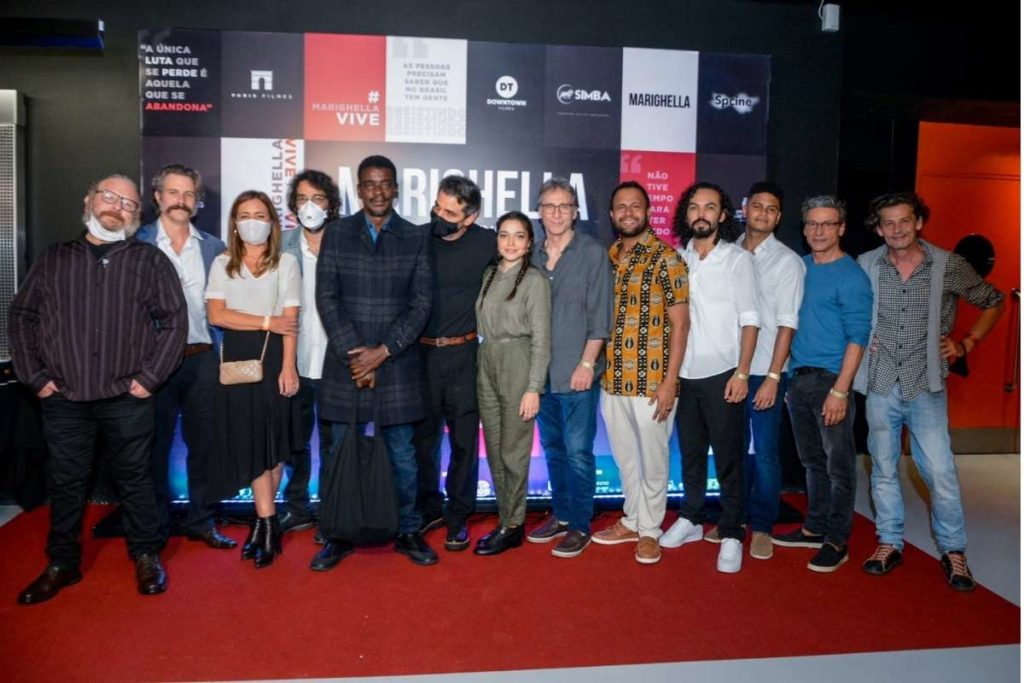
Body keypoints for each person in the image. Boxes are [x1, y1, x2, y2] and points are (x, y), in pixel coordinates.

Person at [11, 173, 186, 603]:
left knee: (137, 479)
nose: (117, 207)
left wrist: (149, 380)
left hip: (128, 397)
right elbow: (22, 317)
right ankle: (62, 563)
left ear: (137, 215)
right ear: (89, 200)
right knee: (66, 482)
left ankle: (146, 554)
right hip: (64, 397)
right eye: (109, 196)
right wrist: (36, 378)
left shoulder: (149, 261)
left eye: (128, 203)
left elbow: (174, 322)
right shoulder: (54, 259)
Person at [855, 192, 1004, 590]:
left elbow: (993, 301)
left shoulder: (948, 265)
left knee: (939, 470)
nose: (897, 229)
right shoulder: (866, 264)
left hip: (926, 383)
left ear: (919, 222)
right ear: (878, 228)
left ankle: (953, 550)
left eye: (904, 220)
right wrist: (862, 336)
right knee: (883, 467)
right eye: (888, 223)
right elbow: (849, 309)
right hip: (880, 381)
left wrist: (967, 343)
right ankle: (889, 542)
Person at [314, 155, 437, 569]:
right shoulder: (337, 233)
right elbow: (326, 298)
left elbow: (421, 305)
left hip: (396, 365)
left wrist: (383, 352)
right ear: (359, 189)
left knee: (401, 455)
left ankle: (408, 530)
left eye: (385, 184)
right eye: (370, 184)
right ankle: (337, 532)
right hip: (346, 364)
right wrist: (357, 355)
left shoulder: (415, 237)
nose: (378, 191)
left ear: (396, 188)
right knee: (338, 452)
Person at [136, 164, 236, 551]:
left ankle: (201, 520)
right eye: (174, 192)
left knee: (206, 445)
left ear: (197, 201)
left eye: (189, 194)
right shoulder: (137, 243)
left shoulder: (213, 247)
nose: (181, 200)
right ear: (158, 196)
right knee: (153, 446)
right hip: (153, 363)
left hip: (203, 356)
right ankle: (155, 527)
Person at [661, 182, 759, 574]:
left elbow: (750, 321)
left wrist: (742, 373)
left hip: (723, 374)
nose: (701, 213)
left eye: (710, 207)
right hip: (684, 374)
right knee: (690, 453)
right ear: (685, 214)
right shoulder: (677, 259)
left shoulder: (738, 260)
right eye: (694, 207)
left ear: (722, 215)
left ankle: (732, 531)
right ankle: (691, 518)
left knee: (730, 458)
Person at [772, 195, 872, 573]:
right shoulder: (799, 267)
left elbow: (858, 337)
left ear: (841, 228)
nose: (818, 231)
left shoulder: (852, 277)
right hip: (799, 380)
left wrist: (841, 391)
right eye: (812, 223)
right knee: (811, 462)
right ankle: (814, 528)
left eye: (827, 224)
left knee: (838, 466)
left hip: (832, 381)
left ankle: (836, 541)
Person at [591, 181, 689, 566]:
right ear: (612, 215)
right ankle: (633, 520)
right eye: (621, 207)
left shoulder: (667, 258)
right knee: (626, 458)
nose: (628, 212)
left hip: (653, 382)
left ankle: (650, 531)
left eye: (636, 206)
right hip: (613, 380)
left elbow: (681, 324)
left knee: (653, 459)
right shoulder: (609, 257)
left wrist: (670, 381)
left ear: (648, 212)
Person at [204, 190, 303, 568]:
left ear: (272, 223)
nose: (252, 222)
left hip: (275, 357)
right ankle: (267, 523)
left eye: (260, 215)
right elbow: (217, 315)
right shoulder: (223, 263)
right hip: (237, 361)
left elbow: (290, 322)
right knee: (253, 443)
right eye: (245, 215)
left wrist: (289, 366)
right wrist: (265, 321)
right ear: (234, 223)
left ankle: (266, 523)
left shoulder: (286, 263)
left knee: (273, 446)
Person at [526, 178, 612, 558]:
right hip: (540, 375)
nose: (557, 213)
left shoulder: (592, 253)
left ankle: (580, 525)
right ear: (540, 212)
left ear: (576, 212)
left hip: (577, 373)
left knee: (578, 452)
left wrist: (587, 363)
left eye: (565, 206)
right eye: (550, 206)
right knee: (553, 449)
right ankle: (561, 515)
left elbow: (601, 318)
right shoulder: (531, 254)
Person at [412, 175, 494, 552]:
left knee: (464, 442)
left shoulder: (487, 243)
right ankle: (428, 508)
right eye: (437, 207)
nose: (439, 217)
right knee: (423, 441)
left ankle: (459, 515)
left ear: (470, 217)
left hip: (465, 355)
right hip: (421, 356)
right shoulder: (417, 238)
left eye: (450, 213)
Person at [728, 182, 804, 560]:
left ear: (778, 217)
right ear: (745, 209)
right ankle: (735, 519)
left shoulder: (787, 262)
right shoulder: (728, 253)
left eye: (771, 209)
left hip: (764, 372)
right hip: (729, 369)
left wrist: (774, 377)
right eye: (757, 206)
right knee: (734, 448)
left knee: (766, 453)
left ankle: (762, 526)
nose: (763, 213)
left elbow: (788, 324)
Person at [473, 211, 551, 556]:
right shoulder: (489, 274)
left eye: (519, 236)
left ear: (529, 242)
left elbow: (542, 339)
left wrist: (533, 387)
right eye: (504, 235)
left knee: (514, 450)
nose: (510, 242)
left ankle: (514, 523)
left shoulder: (534, 281)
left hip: (518, 362)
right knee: (493, 447)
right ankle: (506, 519)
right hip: (487, 360)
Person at [278, 169, 343, 537]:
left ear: (330, 204)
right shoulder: (281, 245)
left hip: (337, 362)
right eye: (303, 199)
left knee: (336, 443)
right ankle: (297, 506)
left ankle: (333, 509)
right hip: (295, 362)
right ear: (293, 205)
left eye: (317, 199)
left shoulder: (346, 242)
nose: (310, 206)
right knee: (294, 441)